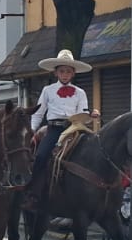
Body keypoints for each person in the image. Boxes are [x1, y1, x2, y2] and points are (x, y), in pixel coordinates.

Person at [28, 49, 97, 196]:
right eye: (62, 71)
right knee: (40, 156)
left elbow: (83, 112)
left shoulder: (80, 92)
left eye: (68, 71)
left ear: (73, 73)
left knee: (94, 153)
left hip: (75, 129)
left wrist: (91, 114)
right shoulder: (48, 90)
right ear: (56, 73)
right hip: (54, 130)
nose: (65, 74)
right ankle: (32, 191)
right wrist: (32, 130)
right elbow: (39, 113)